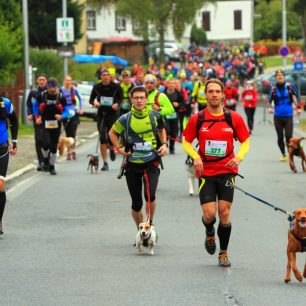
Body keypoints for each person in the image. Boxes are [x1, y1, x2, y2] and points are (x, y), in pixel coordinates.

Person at [182, 78, 250, 267]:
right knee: (210, 214)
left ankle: (223, 252)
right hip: (207, 171)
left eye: (217, 91)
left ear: (223, 95)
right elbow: (186, 140)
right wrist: (195, 156)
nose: (213, 94)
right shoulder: (198, 118)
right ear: (205, 94)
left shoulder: (233, 117)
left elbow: (245, 141)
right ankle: (210, 231)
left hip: (228, 170)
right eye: (210, 91)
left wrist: (239, 157)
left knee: (224, 211)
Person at [108, 86, 167, 231]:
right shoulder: (125, 118)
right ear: (132, 99)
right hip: (132, 165)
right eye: (136, 98)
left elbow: (161, 129)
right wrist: (119, 148)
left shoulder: (155, 116)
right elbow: (112, 133)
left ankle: (150, 224)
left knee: (150, 196)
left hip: (151, 161)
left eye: (142, 97)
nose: (139, 100)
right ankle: (140, 230)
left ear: (147, 99)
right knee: (136, 204)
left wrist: (164, 144)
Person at [89, 68, 123, 171]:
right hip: (101, 114)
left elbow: (121, 98)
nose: (105, 77)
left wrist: (117, 104)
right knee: (102, 138)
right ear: (101, 77)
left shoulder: (116, 87)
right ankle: (105, 162)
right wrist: (95, 103)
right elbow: (91, 99)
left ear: (110, 76)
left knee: (111, 135)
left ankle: (112, 147)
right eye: (103, 75)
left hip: (113, 114)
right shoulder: (97, 87)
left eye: (107, 75)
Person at [268, 69, 301, 161]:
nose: (280, 76)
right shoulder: (273, 89)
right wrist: (270, 108)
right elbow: (270, 100)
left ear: (284, 77)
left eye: (281, 75)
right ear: (276, 78)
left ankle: (294, 151)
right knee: (280, 137)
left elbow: (297, 97)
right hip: (277, 116)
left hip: (288, 115)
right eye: (278, 75)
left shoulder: (290, 87)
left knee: (289, 136)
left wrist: (298, 108)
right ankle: (283, 154)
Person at [36, 77, 67, 175]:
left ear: (57, 87)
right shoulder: (42, 95)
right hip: (45, 123)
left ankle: (52, 166)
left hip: (56, 124)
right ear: (47, 87)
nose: (52, 90)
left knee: (53, 147)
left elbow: (68, 110)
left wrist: (62, 116)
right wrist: (37, 117)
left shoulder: (61, 96)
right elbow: (35, 106)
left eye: (54, 87)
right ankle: (45, 159)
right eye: (50, 87)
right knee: (45, 144)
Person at [0, 95, 18, 235]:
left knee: (0, 185)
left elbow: (14, 120)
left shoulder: (5, 103)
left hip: (2, 148)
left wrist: (15, 141)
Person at [26, 73, 48, 171]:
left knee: (47, 141)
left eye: (43, 79)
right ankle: (41, 162)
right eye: (40, 79)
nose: (42, 81)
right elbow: (29, 104)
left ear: (46, 81)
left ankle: (47, 161)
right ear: (37, 81)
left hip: (49, 119)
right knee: (39, 139)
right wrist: (30, 114)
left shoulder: (51, 91)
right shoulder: (33, 92)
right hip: (37, 118)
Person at [61, 75, 84, 160]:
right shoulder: (61, 90)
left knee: (73, 132)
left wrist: (81, 108)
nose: (68, 82)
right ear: (64, 81)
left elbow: (80, 99)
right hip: (65, 113)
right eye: (66, 80)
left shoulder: (74, 90)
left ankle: (74, 150)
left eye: (69, 81)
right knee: (67, 133)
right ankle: (68, 151)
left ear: (71, 82)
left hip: (74, 112)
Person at [164, 79, 186, 154]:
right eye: (169, 84)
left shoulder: (178, 93)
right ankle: (164, 146)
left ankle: (172, 147)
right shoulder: (163, 93)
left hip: (174, 115)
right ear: (167, 85)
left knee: (173, 132)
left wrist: (178, 104)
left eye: (172, 84)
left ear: (174, 85)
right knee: (167, 131)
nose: (171, 85)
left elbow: (183, 103)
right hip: (165, 115)